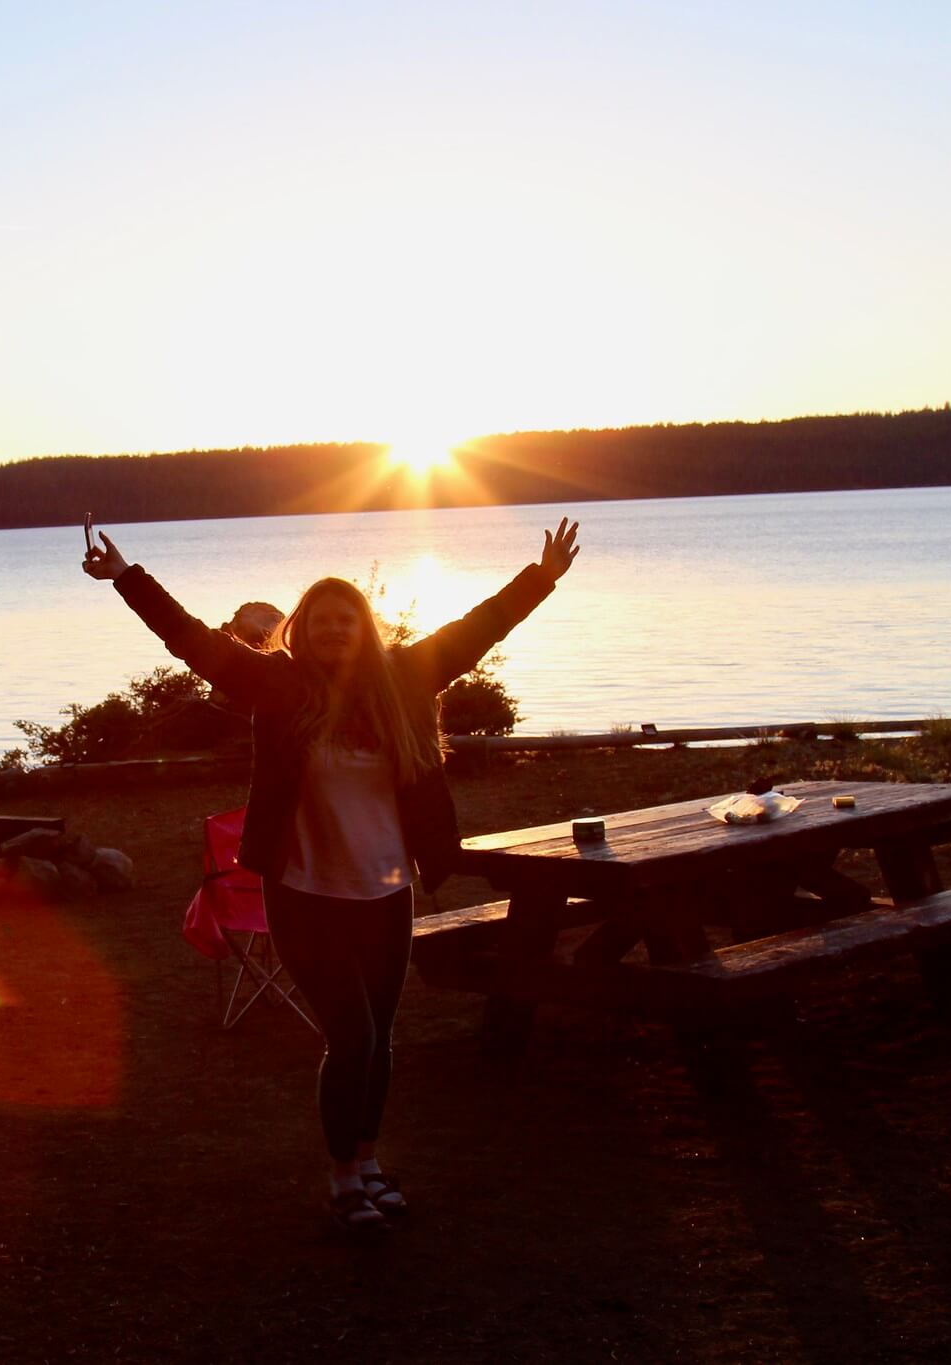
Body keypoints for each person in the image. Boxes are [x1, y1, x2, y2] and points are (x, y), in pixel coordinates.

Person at [82, 517, 580, 1229]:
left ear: (364, 628)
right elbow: (191, 638)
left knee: (380, 1037)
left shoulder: (405, 676)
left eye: (347, 619)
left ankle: (369, 1161)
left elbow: (480, 628)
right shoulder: (273, 685)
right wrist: (127, 576)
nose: (334, 629)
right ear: (302, 628)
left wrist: (542, 577)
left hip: (386, 893)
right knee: (352, 1038)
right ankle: (344, 1176)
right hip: (305, 894)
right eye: (321, 619)